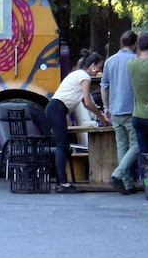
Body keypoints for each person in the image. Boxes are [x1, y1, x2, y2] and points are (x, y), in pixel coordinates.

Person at [45, 51, 108, 193]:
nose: (99, 71)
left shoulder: (78, 74)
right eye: (99, 67)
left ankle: (63, 182)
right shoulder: (85, 77)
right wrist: (102, 117)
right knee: (62, 146)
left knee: (64, 146)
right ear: (92, 66)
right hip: (57, 109)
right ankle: (63, 184)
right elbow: (87, 102)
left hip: (57, 109)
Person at [100, 30, 139, 195]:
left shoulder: (110, 61)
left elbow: (104, 85)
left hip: (115, 110)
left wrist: (106, 106)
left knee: (122, 146)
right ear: (135, 44)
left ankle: (128, 184)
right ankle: (117, 175)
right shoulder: (135, 60)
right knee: (137, 145)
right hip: (131, 109)